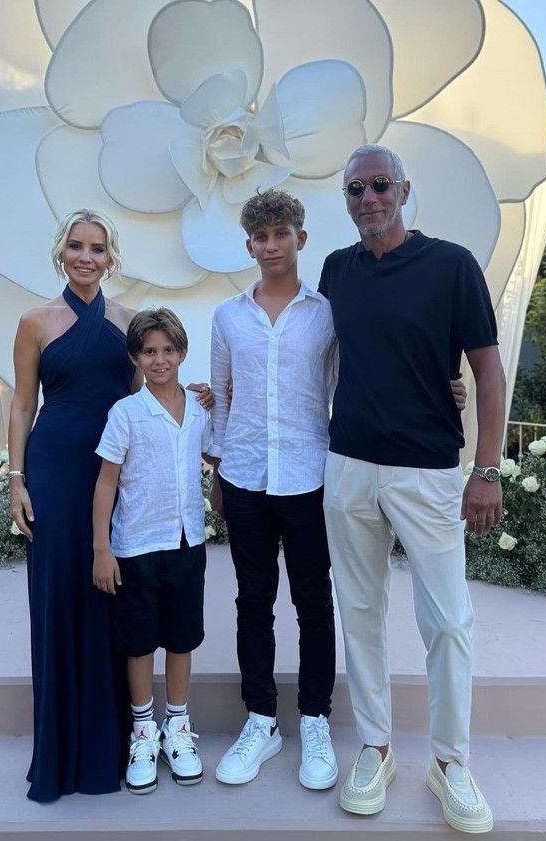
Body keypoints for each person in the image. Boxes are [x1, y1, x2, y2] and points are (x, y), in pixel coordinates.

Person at [320, 144, 505, 833]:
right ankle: (375, 748)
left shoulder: (451, 265)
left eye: (379, 185)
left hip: (427, 469)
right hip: (348, 466)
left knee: (448, 621)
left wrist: (486, 469)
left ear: (402, 190)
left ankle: (450, 762)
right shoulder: (336, 270)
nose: (367, 197)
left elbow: (486, 370)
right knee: (360, 612)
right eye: (354, 189)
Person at [8, 210, 212, 802]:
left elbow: (147, 395)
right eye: (76, 246)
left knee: (117, 596)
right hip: (55, 471)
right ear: (61, 252)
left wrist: (196, 395)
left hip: (118, 475)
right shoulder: (34, 321)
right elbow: (22, 405)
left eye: (97, 248)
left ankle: (128, 735)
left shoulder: (128, 324)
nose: (86, 257)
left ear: (111, 257)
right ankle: (64, 749)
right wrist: (16, 480)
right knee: (61, 596)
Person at [208, 190, 339, 790]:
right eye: (260, 237)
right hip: (245, 475)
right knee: (253, 601)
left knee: (313, 604)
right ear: (249, 246)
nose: (271, 245)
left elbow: (344, 388)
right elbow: (221, 396)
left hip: (309, 475)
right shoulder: (228, 316)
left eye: (281, 233)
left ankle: (314, 719)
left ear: (300, 239)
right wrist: (218, 468)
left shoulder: (326, 314)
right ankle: (261, 720)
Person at [93, 308, 211, 794]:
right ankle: (143, 732)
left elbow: (214, 452)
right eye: (148, 352)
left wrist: (216, 396)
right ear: (135, 358)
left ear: (182, 353)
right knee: (139, 643)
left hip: (187, 543)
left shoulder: (200, 408)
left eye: (168, 350)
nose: (159, 360)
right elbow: (106, 482)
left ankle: (177, 727)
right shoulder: (125, 413)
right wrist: (102, 548)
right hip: (136, 547)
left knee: (181, 639)